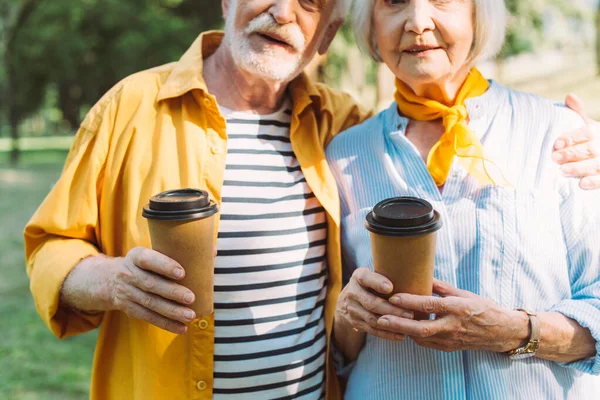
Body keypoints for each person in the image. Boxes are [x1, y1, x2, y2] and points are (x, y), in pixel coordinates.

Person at [23, 0, 598, 399]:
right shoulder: (131, 107)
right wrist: (113, 280)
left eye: (309, 4)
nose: (281, 13)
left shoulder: (335, 128)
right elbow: (51, 245)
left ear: (325, 38)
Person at [327, 1, 600, 399]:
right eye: (394, 1)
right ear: (370, 22)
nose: (418, 23)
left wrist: (515, 332)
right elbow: (337, 349)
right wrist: (348, 316)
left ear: (478, 14)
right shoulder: (341, 154)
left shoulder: (560, 136)